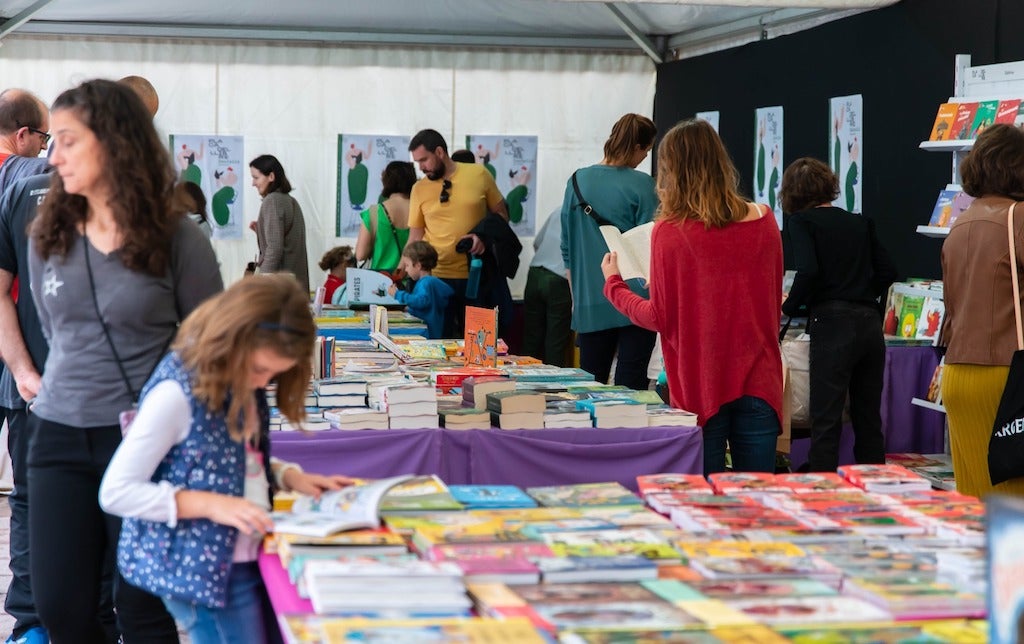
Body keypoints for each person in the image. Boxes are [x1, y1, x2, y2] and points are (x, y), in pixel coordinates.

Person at [27, 78, 222, 642]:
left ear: (114, 143)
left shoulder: (178, 239)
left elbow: (209, 346)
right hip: (58, 434)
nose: (53, 154)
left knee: (143, 612)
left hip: (147, 441)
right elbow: (55, 331)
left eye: (67, 140)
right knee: (61, 610)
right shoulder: (49, 235)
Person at [99, 275, 354, 644]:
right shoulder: (176, 393)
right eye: (259, 370)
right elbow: (116, 491)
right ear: (230, 339)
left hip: (243, 557)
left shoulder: (241, 382)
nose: (262, 382)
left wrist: (287, 476)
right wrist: (210, 504)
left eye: (273, 374)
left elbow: (232, 459)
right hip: (202, 569)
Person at [600, 118, 783, 475]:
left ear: (671, 170)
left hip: (702, 386)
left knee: (704, 506)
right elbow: (767, 297)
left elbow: (658, 318)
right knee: (760, 503)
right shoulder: (764, 220)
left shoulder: (669, 231)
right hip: (761, 378)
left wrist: (614, 284)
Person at [780, 157, 897, 472]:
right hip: (870, 323)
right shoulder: (860, 221)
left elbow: (808, 270)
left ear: (791, 193)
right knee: (868, 417)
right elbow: (888, 270)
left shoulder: (801, 222)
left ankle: (823, 488)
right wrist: (860, 290)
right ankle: (875, 485)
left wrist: (789, 306)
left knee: (826, 417)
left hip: (832, 324)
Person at [940, 123, 1024, 498]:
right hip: (1009, 378)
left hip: (959, 374)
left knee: (974, 501)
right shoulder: (1017, 218)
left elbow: (952, 307)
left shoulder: (961, 222)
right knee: (1013, 503)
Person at [0, 87, 51, 644]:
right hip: (24, 365)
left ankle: (32, 622)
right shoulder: (26, 180)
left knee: (33, 496)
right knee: (35, 496)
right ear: (24, 136)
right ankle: (33, 622)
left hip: (19, 367)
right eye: (44, 137)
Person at [561, 113, 658, 390]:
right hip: (635, 301)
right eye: (647, 151)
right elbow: (652, 247)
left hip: (590, 300)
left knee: (590, 388)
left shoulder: (576, 181)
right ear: (638, 147)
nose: (644, 157)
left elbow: (567, 248)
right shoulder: (644, 185)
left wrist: (576, 298)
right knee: (631, 387)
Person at [407, 129, 507, 337]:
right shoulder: (419, 188)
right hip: (435, 279)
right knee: (438, 344)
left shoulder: (479, 174)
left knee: (478, 344)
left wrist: (483, 237)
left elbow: (502, 215)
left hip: (476, 276)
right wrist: (400, 271)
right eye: (417, 162)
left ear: (440, 152)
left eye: (424, 160)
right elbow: (415, 236)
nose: (421, 167)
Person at [249, 154, 309, 292]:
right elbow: (286, 240)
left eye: (256, 177)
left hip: (280, 289)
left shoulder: (272, 201)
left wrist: (261, 286)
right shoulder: (290, 201)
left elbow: (274, 248)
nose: (253, 183)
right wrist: (262, 231)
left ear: (271, 176)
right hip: (295, 287)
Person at [523, 208, 572, 366]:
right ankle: (553, 387)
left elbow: (537, 242)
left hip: (535, 273)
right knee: (555, 342)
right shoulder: (587, 215)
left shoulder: (558, 211)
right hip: (559, 279)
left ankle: (522, 383)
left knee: (530, 337)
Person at [354, 160, 416, 275]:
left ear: (386, 181)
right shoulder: (420, 210)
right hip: (413, 282)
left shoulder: (373, 213)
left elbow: (360, 254)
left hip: (380, 282)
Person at [387, 241, 454, 339]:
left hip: (428, 335)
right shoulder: (429, 283)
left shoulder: (426, 283)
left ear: (418, 265)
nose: (406, 270)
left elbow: (422, 301)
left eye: (407, 265)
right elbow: (426, 307)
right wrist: (409, 309)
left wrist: (398, 294)